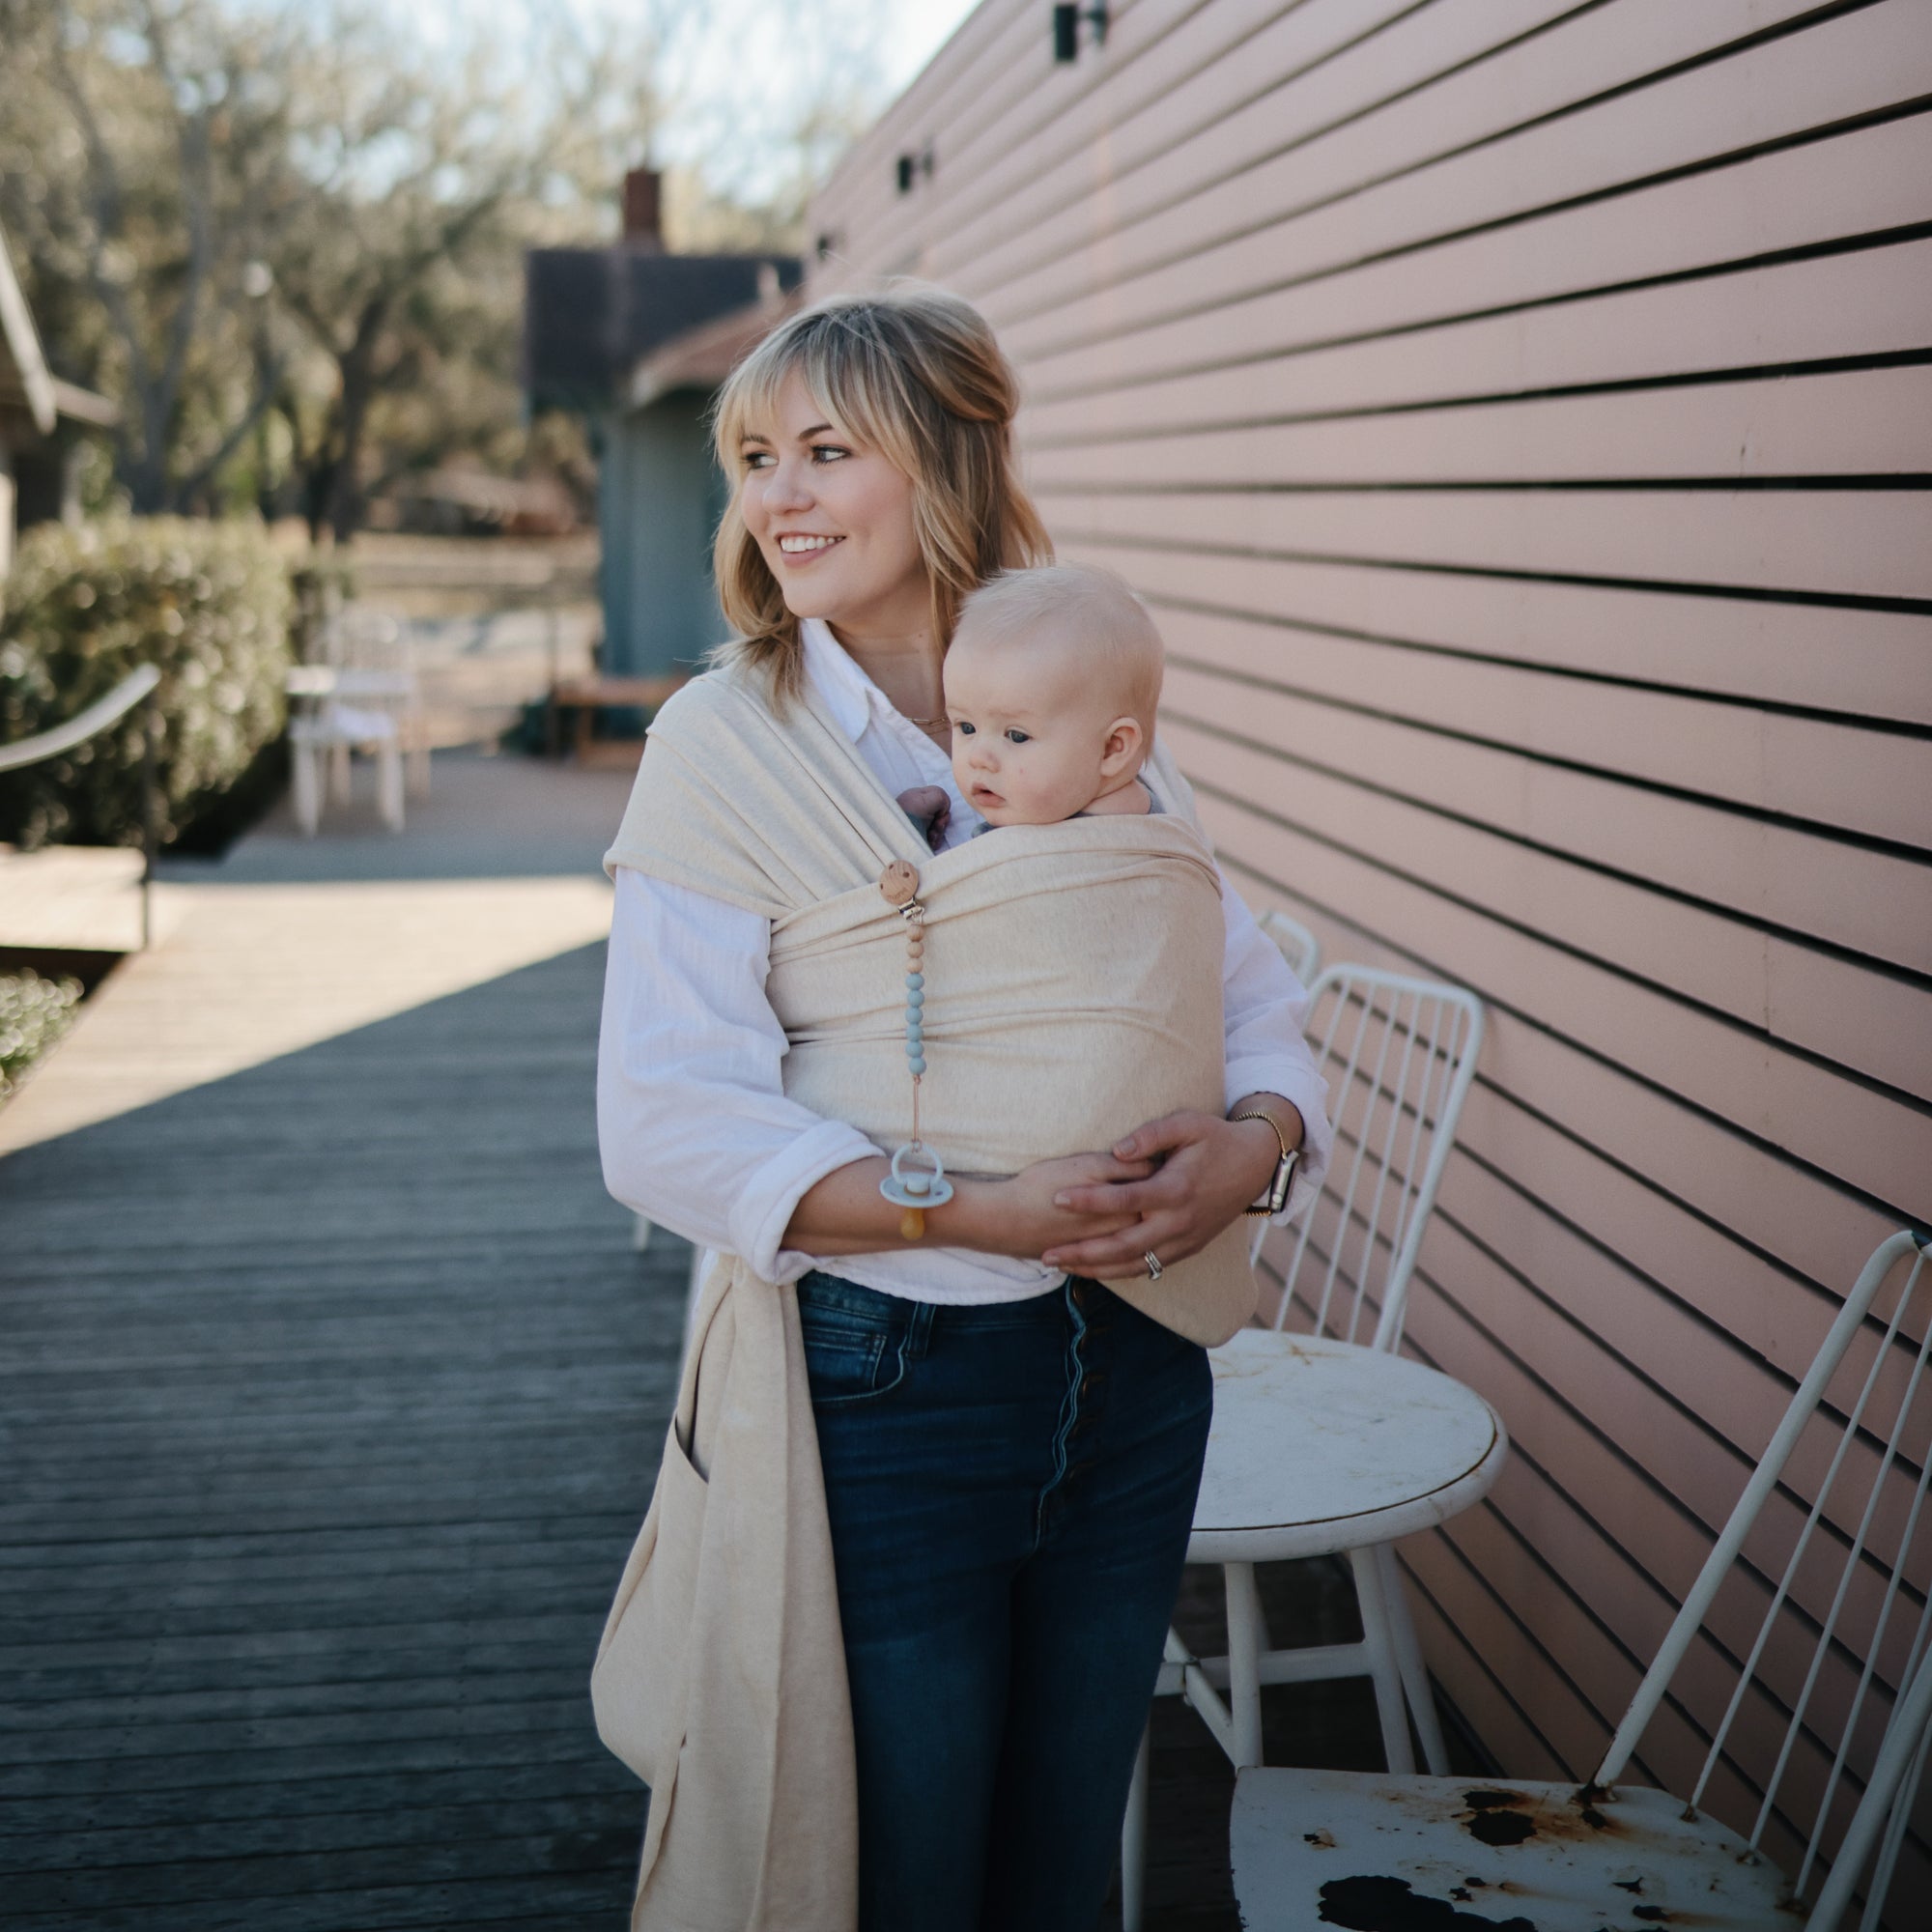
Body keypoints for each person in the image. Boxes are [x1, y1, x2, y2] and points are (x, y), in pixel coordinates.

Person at [597, 284, 1332, 1932]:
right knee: (906, 1871)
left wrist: (1254, 1147)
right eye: (753, 458)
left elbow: (1243, 987)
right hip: (890, 1382)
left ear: (948, 455)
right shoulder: (730, 749)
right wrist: (972, 1209)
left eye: (825, 450)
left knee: (1064, 1863)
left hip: (1133, 1366)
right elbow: (661, 1118)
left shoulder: (1088, 701)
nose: (776, 495)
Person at [895, 561, 1162, 849]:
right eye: (967, 727)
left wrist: (905, 829)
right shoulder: (1152, 823)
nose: (978, 758)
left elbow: (962, 895)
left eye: (1016, 735)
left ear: (1112, 748)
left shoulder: (1042, 853)